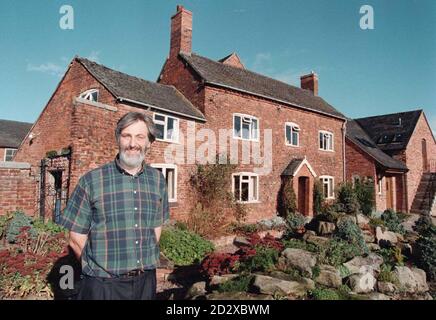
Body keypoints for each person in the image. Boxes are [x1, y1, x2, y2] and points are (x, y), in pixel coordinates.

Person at [59, 112, 169, 300]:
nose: (132, 143)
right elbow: (76, 238)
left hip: (145, 282)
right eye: (126, 136)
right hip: (103, 285)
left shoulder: (158, 180)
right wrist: (98, 271)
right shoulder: (91, 181)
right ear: (118, 139)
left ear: (149, 142)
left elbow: (156, 227)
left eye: (140, 137)